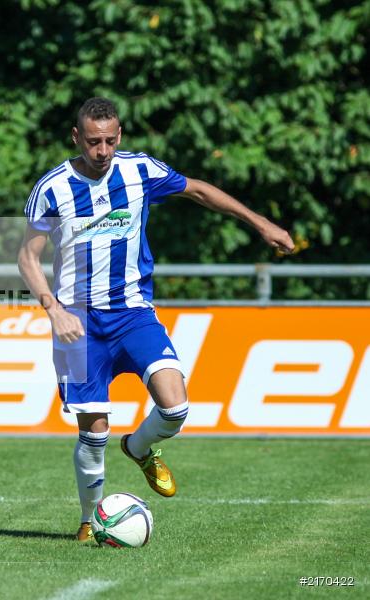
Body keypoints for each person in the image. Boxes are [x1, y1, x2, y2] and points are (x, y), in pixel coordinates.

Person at [17, 97, 294, 542]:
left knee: (175, 406)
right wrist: (54, 309)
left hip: (133, 314)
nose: (102, 151)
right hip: (79, 324)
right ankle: (89, 522)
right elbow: (27, 258)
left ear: (120, 136)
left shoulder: (139, 170)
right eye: (93, 142)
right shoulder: (52, 189)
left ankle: (139, 447)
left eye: (110, 141)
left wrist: (259, 223)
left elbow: (198, 190)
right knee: (94, 432)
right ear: (76, 137)